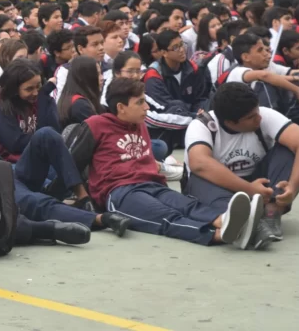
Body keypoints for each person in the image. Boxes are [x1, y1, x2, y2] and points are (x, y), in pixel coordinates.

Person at [0, 97, 129, 243]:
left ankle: (83, 198)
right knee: (35, 201)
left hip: (11, 171)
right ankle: (99, 219)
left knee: (46, 134)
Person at [79, 77, 259, 247]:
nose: (147, 107)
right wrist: (82, 197)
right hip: (120, 192)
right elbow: (72, 162)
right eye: (140, 102)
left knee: (187, 205)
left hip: (152, 184)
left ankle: (226, 221)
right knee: (165, 217)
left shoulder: (139, 123)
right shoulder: (96, 124)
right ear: (121, 107)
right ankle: (218, 235)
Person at [184, 82, 299, 247]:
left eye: (257, 111)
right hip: (217, 187)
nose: (258, 118)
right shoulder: (203, 125)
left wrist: (293, 187)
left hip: (260, 188)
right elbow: (199, 163)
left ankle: (271, 212)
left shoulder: (263, 115)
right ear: (230, 122)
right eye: (250, 117)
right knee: (199, 176)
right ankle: (245, 221)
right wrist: (249, 189)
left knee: (288, 149)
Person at [143, 30, 211, 149]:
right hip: (169, 124)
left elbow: (201, 97)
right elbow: (164, 108)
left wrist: (200, 113)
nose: (181, 50)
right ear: (164, 52)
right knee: (176, 105)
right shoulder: (154, 75)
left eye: (181, 44)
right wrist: (195, 116)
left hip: (193, 117)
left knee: (209, 101)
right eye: (175, 48)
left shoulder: (193, 68)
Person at [0, 59, 59, 163]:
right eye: (29, 89)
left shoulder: (41, 99)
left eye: (38, 86)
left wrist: (44, 99)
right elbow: (17, 144)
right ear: (14, 89)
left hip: (41, 159)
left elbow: (55, 132)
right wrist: (43, 99)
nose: (35, 93)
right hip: (12, 166)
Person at [223, 34, 299, 113]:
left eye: (266, 50)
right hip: (246, 120)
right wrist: (298, 91)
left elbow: (290, 73)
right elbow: (265, 75)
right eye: (260, 50)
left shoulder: (266, 65)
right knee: (265, 84)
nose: (267, 54)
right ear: (246, 57)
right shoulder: (237, 71)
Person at [57, 56, 103, 128]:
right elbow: (99, 131)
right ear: (86, 77)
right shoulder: (80, 105)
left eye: (101, 73)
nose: (102, 78)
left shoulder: (70, 99)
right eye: (97, 74)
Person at [0, 38, 27, 108]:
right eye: (19, 57)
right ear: (7, 57)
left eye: (25, 58)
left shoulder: (20, 74)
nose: (24, 62)